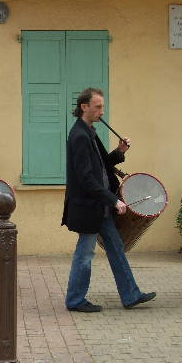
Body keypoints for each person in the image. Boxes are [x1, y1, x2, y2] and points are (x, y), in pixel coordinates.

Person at [62, 88, 156, 312]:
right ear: (84, 107)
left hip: (99, 206)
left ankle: (131, 295)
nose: (101, 112)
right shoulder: (79, 136)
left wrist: (120, 150)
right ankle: (75, 300)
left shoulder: (90, 132)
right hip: (89, 206)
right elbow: (86, 178)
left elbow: (104, 164)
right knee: (84, 254)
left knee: (116, 249)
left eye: (102, 107)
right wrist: (113, 200)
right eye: (97, 107)